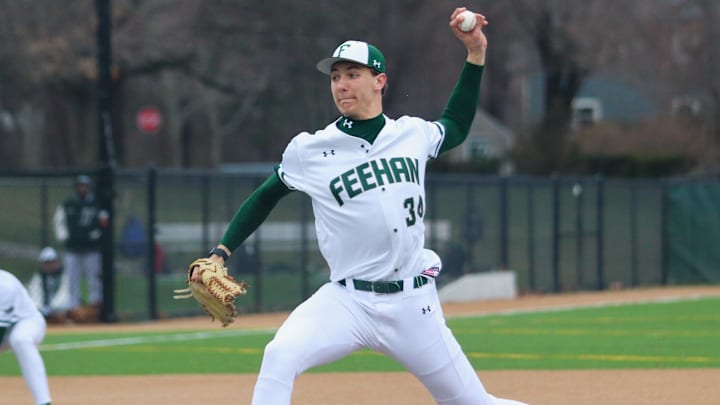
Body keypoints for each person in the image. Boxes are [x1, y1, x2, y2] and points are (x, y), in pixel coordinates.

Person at [197, 7, 528, 404]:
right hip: (348, 301)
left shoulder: (411, 134)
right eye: (336, 77)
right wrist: (221, 251)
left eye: (353, 74)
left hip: (412, 302)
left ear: (380, 81)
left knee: (472, 403)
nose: (341, 85)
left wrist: (475, 55)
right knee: (279, 354)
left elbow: (455, 125)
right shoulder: (310, 149)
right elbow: (266, 195)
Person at [52, 174, 108, 320]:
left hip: (91, 248)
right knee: (72, 279)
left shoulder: (95, 203)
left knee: (94, 278)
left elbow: (103, 221)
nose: (82, 188)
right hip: (73, 248)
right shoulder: (68, 203)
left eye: (84, 186)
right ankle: (74, 307)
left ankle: (95, 306)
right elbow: (59, 222)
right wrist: (64, 237)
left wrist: (97, 234)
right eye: (80, 186)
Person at [0, 269, 53, 405]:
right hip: (5, 326)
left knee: (20, 340)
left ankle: (43, 402)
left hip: (27, 322)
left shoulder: (4, 285)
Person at [27, 247, 72, 324]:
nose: (49, 265)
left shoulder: (65, 276)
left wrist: (52, 308)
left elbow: (64, 295)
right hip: (41, 310)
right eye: (46, 262)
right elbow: (34, 294)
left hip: (61, 310)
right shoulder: (38, 277)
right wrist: (41, 308)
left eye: (51, 262)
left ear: (56, 262)